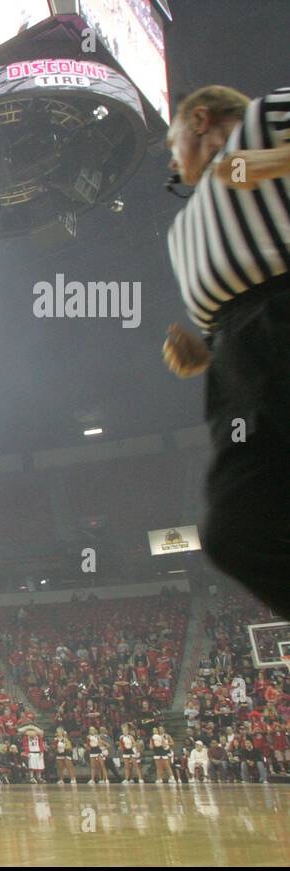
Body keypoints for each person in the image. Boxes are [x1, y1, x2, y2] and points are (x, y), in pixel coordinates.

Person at [160, 84, 290, 619]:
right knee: (233, 529)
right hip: (238, 370)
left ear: (199, 118)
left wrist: (267, 162)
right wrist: (210, 352)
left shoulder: (265, 116)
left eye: (171, 144)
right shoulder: (181, 229)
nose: (172, 159)